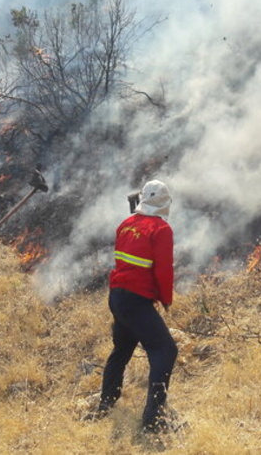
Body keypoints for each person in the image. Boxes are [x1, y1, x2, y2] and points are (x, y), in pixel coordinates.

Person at [89, 179, 179, 434]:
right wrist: (166, 299)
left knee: (122, 348)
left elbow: (130, 263)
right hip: (136, 301)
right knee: (165, 350)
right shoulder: (161, 229)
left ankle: (106, 404)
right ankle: (154, 420)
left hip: (117, 296)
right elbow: (163, 270)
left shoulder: (126, 224)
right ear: (164, 204)